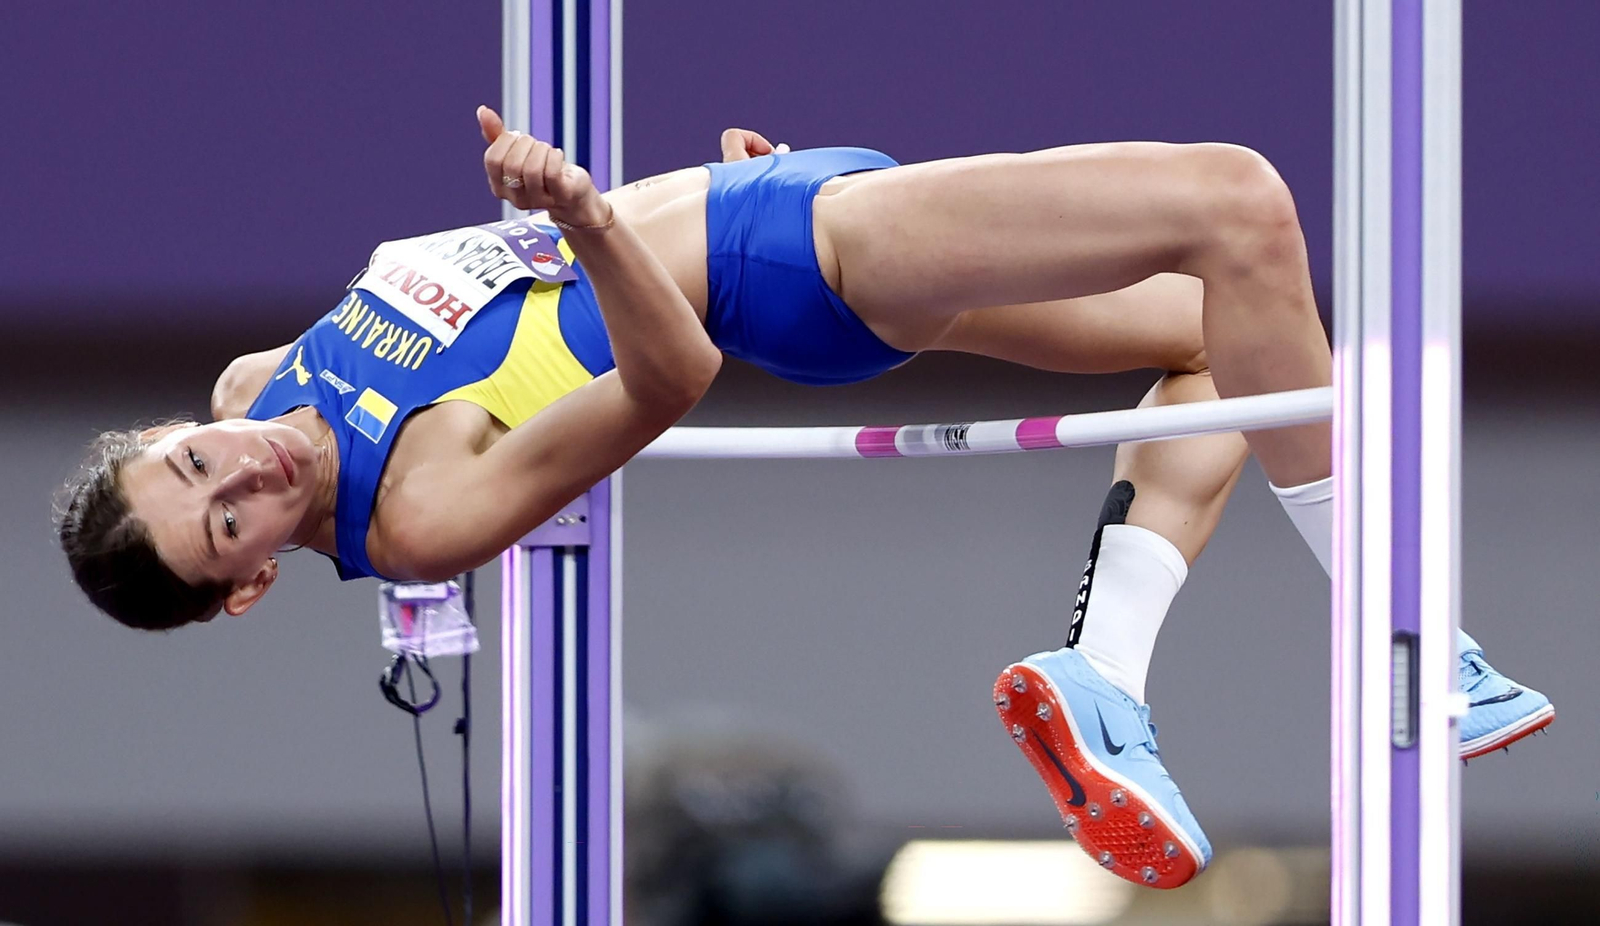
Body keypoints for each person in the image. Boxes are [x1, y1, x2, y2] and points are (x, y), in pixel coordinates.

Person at [56, 106, 1552, 888]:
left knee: (1217, 330)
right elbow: (664, 376)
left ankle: (1107, 673)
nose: (243, 472)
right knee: (1240, 202)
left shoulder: (263, 384)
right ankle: (1404, 635)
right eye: (232, 525)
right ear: (252, 581)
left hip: (767, 201)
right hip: (790, 257)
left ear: (171, 424)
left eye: (196, 463)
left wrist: (626, 213)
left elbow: (509, 301)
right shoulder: (415, 517)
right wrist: (593, 215)